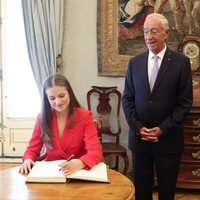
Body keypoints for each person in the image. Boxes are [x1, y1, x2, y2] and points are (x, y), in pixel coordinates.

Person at [122, 13, 193, 200]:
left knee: (167, 193)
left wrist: (163, 129)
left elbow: (184, 103)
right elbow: (127, 100)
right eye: (145, 32)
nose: (148, 37)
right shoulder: (134, 63)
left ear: (166, 33)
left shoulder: (181, 63)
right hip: (140, 141)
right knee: (142, 193)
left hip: (168, 140)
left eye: (154, 31)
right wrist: (138, 128)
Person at [19, 73, 103, 176]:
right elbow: (32, 149)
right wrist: (28, 159)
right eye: (52, 98)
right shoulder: (42, 118)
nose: (58, 102)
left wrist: (80, 163)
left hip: (79, 172)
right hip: (52, 174)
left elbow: (95, 151)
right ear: (47, 99)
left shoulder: (85, 116)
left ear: (69, 92)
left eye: (61, 96)